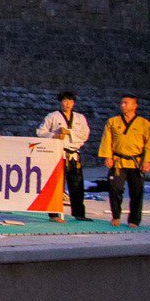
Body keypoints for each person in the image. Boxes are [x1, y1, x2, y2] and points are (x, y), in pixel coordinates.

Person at [98, 94, 150, 228]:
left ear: (135, 106)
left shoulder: (144, 123)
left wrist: (147, 161)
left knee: (137, 191)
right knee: (115, 189)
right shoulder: (113, 121)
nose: (123, 105)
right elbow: (106, 140)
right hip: (118, 161)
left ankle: (134, 220)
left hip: (136, 162)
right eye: (122, 103)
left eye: (126, 103)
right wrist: (107, 156)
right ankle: (116, 216)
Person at [36, 91, 91, 222]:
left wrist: (69, 132)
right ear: (61, 102)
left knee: (77, 185)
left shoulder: (80, 118)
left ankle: (79, 214)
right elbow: (40, 132)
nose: (67, 104)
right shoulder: (53, 116)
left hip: (73, 154)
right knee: (56, 185)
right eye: (65, 101)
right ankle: (54, 214)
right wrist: (53, 135)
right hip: (58, 154)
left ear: (74, 103)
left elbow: (85, 135)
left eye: (70, 101)